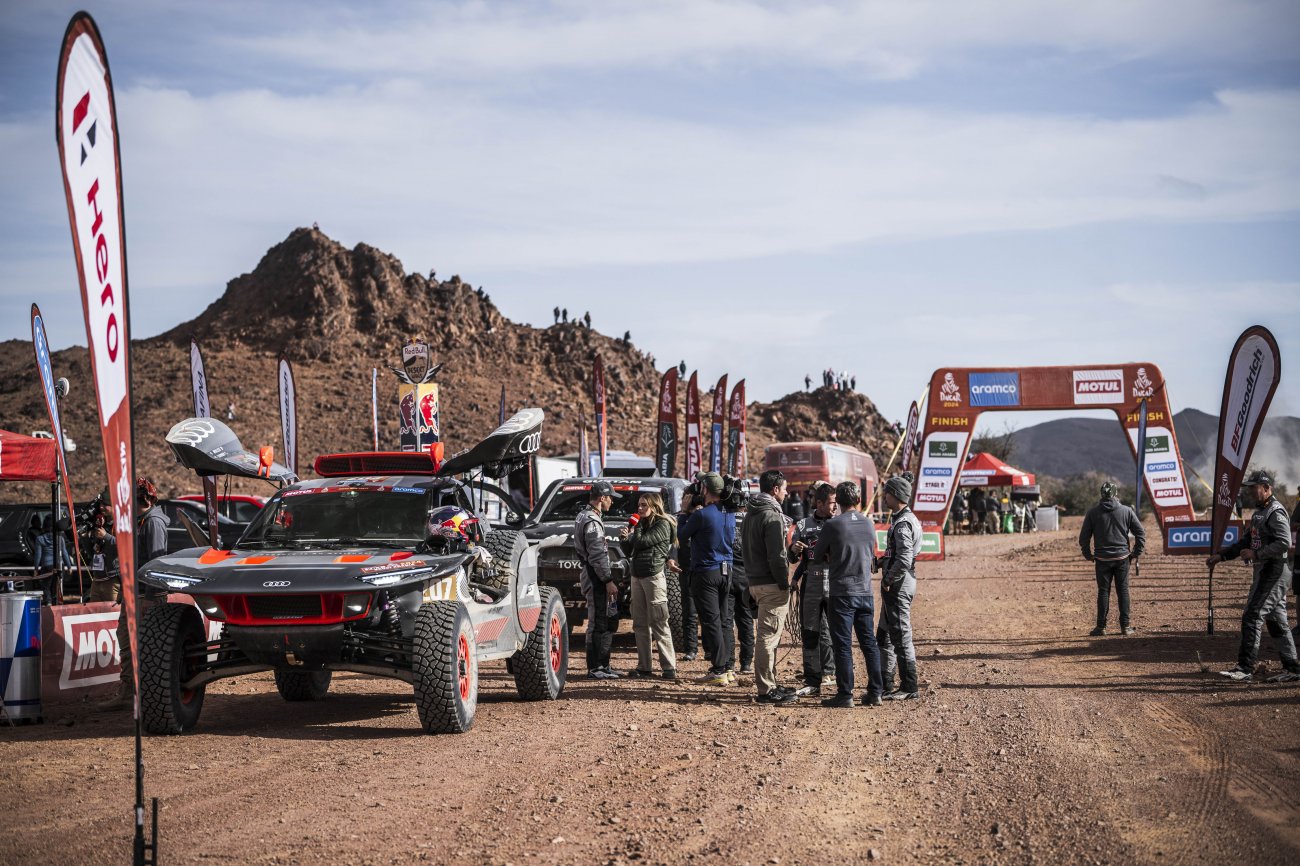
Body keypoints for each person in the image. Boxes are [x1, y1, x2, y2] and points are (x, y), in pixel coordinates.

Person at [1208, 471, 1300, 683]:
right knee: (1276, 621)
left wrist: (1256, 554)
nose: (1250, 491)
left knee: (1252, 614)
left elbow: (1284, 543)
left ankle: (1245, 667)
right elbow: (1246, 542)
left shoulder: (1275, 512)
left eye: (1254, 486)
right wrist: (1220, 556)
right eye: (1249, 487)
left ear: (1267, 488)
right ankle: (1293, 668)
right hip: (1265, 571)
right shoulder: (1260, 512)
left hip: (1275, 570)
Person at [810, 481, 883, 708]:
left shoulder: (832, 525)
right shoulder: (869, 524)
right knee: (868, 643)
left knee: (842, 645)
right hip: (865, 591)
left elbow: (817, 555)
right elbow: (871, 554)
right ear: (858, 500)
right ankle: (876, 691)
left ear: (838, 502)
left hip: (841, 592)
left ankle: (845, 694)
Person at [101, 477, 170, 710]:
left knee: (144, 647)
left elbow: (156, 560)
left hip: (145, 596)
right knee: (127, 643)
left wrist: (152, 596)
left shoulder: (152, 523)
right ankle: (129, 692)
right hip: (134, 594)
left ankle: (142, 695)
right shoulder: (140, 521)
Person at [741, 470, 797, 704]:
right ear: (775, 490)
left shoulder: (750, 514)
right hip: (771, 584)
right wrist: (784, 583)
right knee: (767, 637)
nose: (786, 493)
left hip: (755, 581)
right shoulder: (772, 517)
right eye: (784, 488)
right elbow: (776, 556)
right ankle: (765, 689)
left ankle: (770, 682)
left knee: (768, 636)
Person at [678, 472, 736, 686]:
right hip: (726, 570)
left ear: (705, 489)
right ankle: (728, 667)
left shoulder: (701, 516)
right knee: (724, 620)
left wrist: (684, 512)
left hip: (706, 572)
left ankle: (718, 669)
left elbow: (682, 536)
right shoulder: (729, 512)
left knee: (711, 621)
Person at [620, 492, 678, 679]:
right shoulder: (642, 524)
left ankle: (669, 667)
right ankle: (644, 666)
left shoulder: (663, 524)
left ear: (654, 506)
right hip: (636, 576)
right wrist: (624, 539)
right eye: (639, 505)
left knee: (659, 622)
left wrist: (634, 529)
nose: (640, 508)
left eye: (644, 505)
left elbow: (642, 542)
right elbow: (631, 549)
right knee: (640, 624)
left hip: (653, 577)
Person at [789, 483, 838, 697]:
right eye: (831, 503)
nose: (835, 507)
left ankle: (833, 674)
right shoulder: (802, 525)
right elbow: (792, 558)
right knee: (810, 631)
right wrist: (793, 549)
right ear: (819, 503)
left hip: (836, 585)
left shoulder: (839, 524)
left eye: (837, 503)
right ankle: (812, 679)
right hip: (811, 585)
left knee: (836, 632)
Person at [876, 475, 922, 700]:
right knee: (885, 635)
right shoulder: (905, 518)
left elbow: (904, 558)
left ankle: (909, 686)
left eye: (887, 492)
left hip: (899, 584)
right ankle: (886, 683)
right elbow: (898, 554)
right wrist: (882, 561)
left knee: (901, 635)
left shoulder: (903, 523)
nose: (884, 496)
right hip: (903, 580)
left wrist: (887, 579)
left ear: (895, 495)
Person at [1079, 481, 1145, 636]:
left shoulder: (1092, 513)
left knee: (1103, 591)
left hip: (1102, 559)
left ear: (1101, 494)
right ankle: (1126, 627)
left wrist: (1088, 555)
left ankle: (1101, 627)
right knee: (1123, 590)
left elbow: (1084, 538)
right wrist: (1135, 553)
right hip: (1122, 558)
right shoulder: (1127, 511)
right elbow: (1140, 533)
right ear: (1115, 494)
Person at [575, 481, 623, 680]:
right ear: (602, 498)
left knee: (602, 621)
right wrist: (608, 579)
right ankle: (597, 668)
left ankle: (603, 665)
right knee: (599, 622)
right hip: (595, 576)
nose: (612, 501)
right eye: (610, 497)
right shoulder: (592, 521)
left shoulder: (584, 515)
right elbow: (597, 555)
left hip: (592, 573)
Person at [673, 494, 704, 661]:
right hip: (686, 569)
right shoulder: (681, 518)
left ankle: (709, 649)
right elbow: (678, 538)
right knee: (689, 612)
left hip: (704, 569)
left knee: (707, 612)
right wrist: (685, 513)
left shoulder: (704, 515)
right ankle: (691, 648)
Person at [726, 511, 756, 676]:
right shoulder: (751, 519)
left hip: (728, 573)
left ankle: (729, 663)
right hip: (747, 575)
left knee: (727, 620)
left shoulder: (725, 517)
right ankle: (746, 663)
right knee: (746, 620)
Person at [33, 514, 71, 605]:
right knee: (56, 586)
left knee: (46, 586)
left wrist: (36, 568)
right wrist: (69, 566)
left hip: (46, 565)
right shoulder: (60, 538)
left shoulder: (40, 539)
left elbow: (38, 555)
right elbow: (65, 553)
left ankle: (48, 602)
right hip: (58, 565)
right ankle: (55, 604)